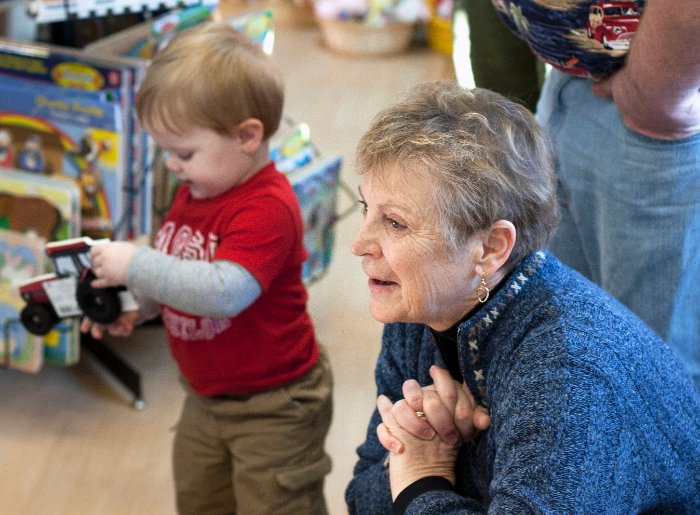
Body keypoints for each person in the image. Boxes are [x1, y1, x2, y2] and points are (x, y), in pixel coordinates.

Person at [344, 81, 700, 513]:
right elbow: (362, 493)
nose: (359, 243)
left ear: (491, 248)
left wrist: (422, 477)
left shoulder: (567, 376)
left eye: (395, 223)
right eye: (366, 208)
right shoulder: (423, 308)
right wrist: (424, 446)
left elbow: (404, 485)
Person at [80, 22, 333, 515]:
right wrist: (140, 305)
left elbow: (223, 291)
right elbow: (180, 266)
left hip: (276, 404)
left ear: (247, 136)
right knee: (200, 500)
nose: (173, 166)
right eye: (166, 153)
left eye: (184, 152)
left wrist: (136, 263)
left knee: (277, 505)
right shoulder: (198, 187)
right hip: (205, 394)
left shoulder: (267, 207)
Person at [486, 0, 700, 387]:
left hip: (660, 96)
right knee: (571, 348)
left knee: (650, 383)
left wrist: (655, 95)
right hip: (589, 75)